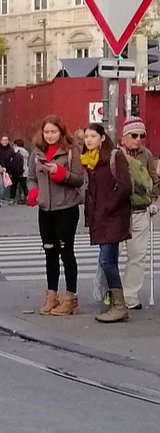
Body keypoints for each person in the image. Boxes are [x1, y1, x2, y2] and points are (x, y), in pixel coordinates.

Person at [25, 115, 86, 316]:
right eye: (46, 132)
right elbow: (31, 178)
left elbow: (79, 180)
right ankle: (52, 295)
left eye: (53, 132)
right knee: (49, 253)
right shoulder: (36, 153)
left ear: (61, 132)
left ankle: (70, 297)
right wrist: (34, 192)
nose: (50, 136)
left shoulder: (71, 151)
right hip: (46, 210)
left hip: (66, 209)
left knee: (66, 252)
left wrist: (62, 173)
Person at [80, 122, 132, 323]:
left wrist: (108, 208)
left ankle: (119, 306)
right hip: (100, 218)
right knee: (110, 260)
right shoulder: (90, 161)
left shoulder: (114, 156)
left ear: (102, 138)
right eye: (86, 137)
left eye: (93, 136)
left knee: (106, 261)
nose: (89, 140)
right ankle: (114, 302)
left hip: (114, 216)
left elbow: (125, 186)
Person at [118, 117, 159, 311]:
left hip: (140, 211)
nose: (138, 139)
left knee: (137, 255)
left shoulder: (147, 155)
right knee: (109, 256)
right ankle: (110, 293)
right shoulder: (116, 154)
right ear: (124, 136)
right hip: (118, 212)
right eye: (134, 135)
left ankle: (130, 296)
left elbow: (155, 179)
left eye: (142, 135)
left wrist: (153, 200)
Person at [0, 135, 23, 206]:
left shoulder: (10, 150)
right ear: (1, 141)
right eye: (3, 140)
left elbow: (13, 160)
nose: (5, 141)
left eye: (6, 140)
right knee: (0, 185)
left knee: (4, 186)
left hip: (7, 170)